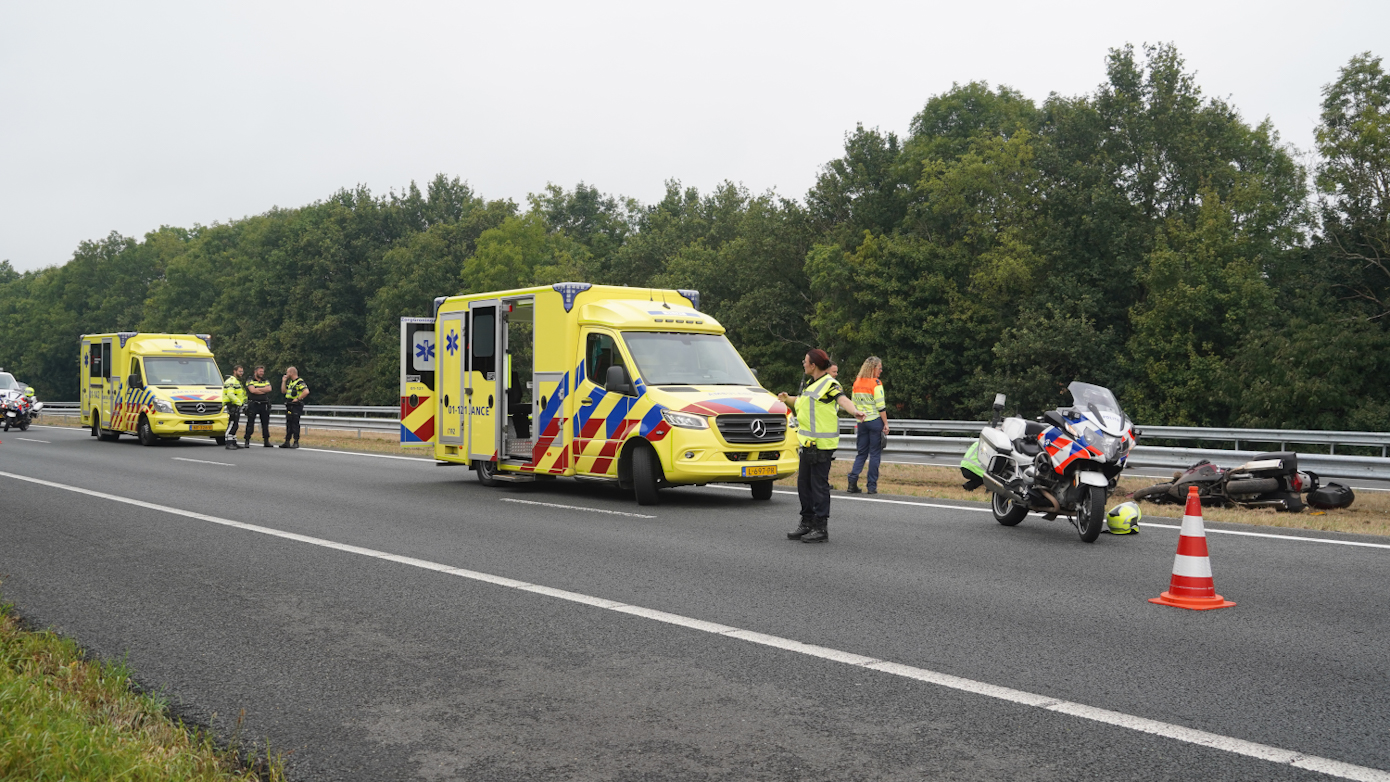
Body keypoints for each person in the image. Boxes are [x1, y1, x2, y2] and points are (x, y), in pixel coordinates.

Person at [777, 349, 865, 543]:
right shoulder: (812, 384)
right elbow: (802, 404)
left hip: (822, 445)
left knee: (818, 486)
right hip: (808, 444)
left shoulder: (829, 383)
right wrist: (787, 399)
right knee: (804, 485)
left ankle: (820, 527)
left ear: (813, 365)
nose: (803, 363)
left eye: (805, 361)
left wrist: (855, 412)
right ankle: (807, 522)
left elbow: (841, 399)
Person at [846, 357, 888, 494]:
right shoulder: (876, 383)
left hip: (861, 422)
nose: (881, 371)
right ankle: (871, 486)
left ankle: (852, 482)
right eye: (879, 368)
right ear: (873, 368)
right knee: (875, 454)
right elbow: (881, 406)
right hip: (875, 420)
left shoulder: (857, 382)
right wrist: (886, 424)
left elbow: (853, 403)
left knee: (861, 453)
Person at [243, 366, 273, 448]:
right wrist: (263, 389)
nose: (262, 373)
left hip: (264, 404)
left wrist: (258, 389)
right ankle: (247, 440)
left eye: (262, 372)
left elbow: (269, 389)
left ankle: (266, 441)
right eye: (260, 371)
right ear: (255, 372)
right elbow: (252, 390)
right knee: (250, 423)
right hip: (253, 404)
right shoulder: (250, 379)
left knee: (265, 423)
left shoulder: (265, 380)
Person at [280, 367, 309, 448]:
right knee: (289, 424)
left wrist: (298, 398)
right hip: (289, 405)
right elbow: (283, 391)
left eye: (287, 372)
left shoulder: (299, 382)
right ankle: (287, 441)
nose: (286, 374)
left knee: (295, 424)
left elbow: (306, 391)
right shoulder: (291, 382)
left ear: (291, 373)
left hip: (296, 406)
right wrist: (284, 381)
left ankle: (296, 441)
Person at [223, 365, 247, 449]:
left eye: (242, 371)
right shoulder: (232, 381)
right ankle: (228, 443)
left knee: (235, 424)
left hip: (237, 404)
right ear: (234, 371)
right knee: (232, 423)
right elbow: (230, 394)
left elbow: (240, 394)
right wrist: (239, 403)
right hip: (232, 404)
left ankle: (233, 442)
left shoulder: (237, 381)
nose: (241, 373)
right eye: (240, 371)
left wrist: (244, 402)